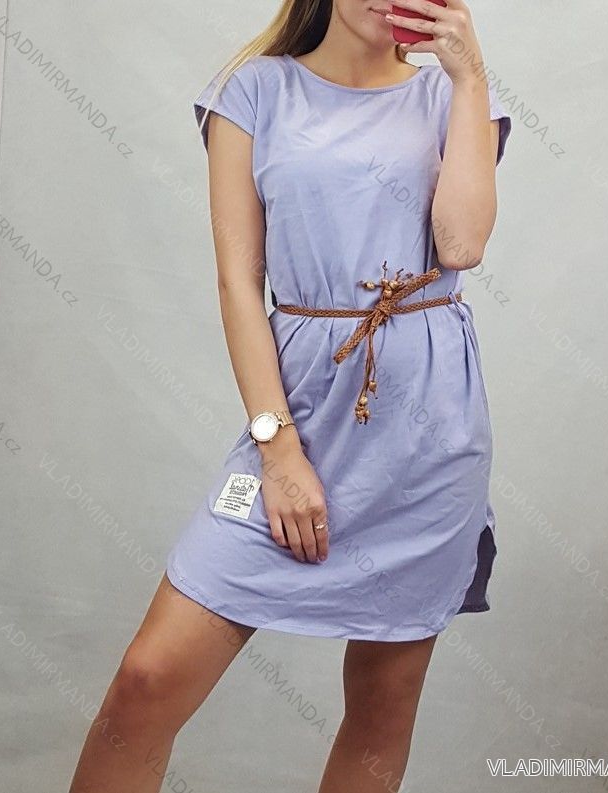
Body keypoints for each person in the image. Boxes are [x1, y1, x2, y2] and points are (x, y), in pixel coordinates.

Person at [68, 0, 511, 789]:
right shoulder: (252, 91)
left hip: (425, 436)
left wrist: (469, 76)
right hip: (297, 412)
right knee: (147, 680)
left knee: (381, 710)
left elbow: (460, 244)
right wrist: (276, 450)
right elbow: (239, 283)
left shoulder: (452, 94)